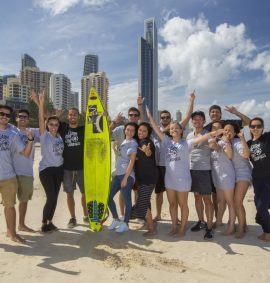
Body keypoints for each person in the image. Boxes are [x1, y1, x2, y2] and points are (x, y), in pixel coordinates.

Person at [147, 106, 223, 238]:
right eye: (171, 129)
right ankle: (174, 227)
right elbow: (155, 128)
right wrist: (149, 116)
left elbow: (202, 137)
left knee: (183, 204)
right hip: (169, 179)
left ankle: (182, 229)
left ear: (181, 130)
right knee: (172, 204)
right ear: (169, 132)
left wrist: (212, 134)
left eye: (176, 128)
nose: (174, 130)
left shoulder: (187, 143)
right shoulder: (166, 141)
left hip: (183, 179)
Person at [152, 92, 195, 222]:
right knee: (159, 193)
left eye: (167, 117)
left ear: (170, 119)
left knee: (177, 195)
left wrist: (191, 101)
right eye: (163, 117)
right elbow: (146, 121)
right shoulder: (157, 130)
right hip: (159, 165)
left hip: (174, 167)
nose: (165, 119)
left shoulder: (174, 128)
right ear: (160, 119)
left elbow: (187, 117)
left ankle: (178, 219)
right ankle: (159, 215)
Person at [0, 104, 33, 243]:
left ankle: (12, 234)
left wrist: (30, 140)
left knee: (10, 206)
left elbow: (25, 153)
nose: (4, 117)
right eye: (2, 114)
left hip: (8, 177)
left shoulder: (13, 135)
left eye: (7, 115)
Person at [32, 91, 64, 233]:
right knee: (51, 196)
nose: (53, 126)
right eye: (51, 124)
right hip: (46, 170)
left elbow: (53, 118)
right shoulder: (44, 136)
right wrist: (40, 103)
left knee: (55, 197)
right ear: (47, 125)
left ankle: (51, 222)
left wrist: (55, 114)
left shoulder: (59, 137)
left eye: (56, 124)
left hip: (59, 170)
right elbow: (41, 118)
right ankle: (44, 223)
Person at [110, 95, 144, 220]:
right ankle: (123, 214)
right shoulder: (120, 129)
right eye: (131, 115)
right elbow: (106, 134)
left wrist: (140, 105)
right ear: (128, 116)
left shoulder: (140, 130)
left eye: (136, 115)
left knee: (137, 191)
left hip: (138, 167)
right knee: (122, 192)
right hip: (122, 167)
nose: (133, 117)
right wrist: (114, 121)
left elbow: (145, 123)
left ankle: (138, 215)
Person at [58, 107, 88, 228]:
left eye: (75, 115)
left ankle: (86, 216)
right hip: (67, 168)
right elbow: (48, 119)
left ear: (78, 116)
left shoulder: (84, 129)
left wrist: (105, 116)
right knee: (69, 194)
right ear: (67, 116)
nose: (72, 116)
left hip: (82, 167)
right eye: (70, 115)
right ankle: (73, 217)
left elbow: (100, 129)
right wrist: (58, 116)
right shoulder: (63, 127)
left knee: (85, 193)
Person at [187, 111, 215, 239]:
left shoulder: (208, 134)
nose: (197, 121)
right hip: (192, 169)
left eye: (200, 119)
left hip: (204, 170)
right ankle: (201, 221)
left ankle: (209, 228)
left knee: (207, 200)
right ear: (192, 122)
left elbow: (212, 146)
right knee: (197, 197)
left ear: (204, 121)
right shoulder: (188, 136)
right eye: (195, 119)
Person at [107, 122, 138, 233]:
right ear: (125, 130)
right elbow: (121, 157)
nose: (129, 132)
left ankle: (125, 223)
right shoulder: (125, 141)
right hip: (118, 174)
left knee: (127, 201)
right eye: (128, 129)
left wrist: (126, 178)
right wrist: (115, 148)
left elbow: (132, 161)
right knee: (108, 197)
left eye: (132, 130)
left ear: (134, 133)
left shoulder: (133, 143)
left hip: (127, 176)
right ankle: (116, 219)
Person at [12, 109, 40, 232]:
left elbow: (45, 126)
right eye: (20, 116)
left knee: (24, 201)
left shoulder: (32, 131)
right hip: (10, 173)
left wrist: (40, 104)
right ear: (16, 118)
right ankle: (10, 229)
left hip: (27, 172)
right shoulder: (10, 130)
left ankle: (21, 224)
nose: (23, 118)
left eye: (25, 117)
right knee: (9, 203)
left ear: (28, 119)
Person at [224, 122, 251, 238]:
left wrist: (243, 139)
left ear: (235, 133)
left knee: (237, 202)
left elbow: (246, 155)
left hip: (243, 174)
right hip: (233, 176)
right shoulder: (225, 143)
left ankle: (240, 229)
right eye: (225, 130)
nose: (227, 132)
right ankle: (243, 224)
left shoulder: (237, 142)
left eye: (230, 130)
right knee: (237, 203)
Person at [208, 121, 235, 234]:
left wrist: (225, 140)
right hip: (217, 177)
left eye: (219, 128)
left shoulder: (225, 141)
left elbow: (229, 155)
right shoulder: (212, 140)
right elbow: (212, 145)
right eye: (214, 128)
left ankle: (231, 226)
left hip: (227, 175)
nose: (217, 130)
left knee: (230, 202)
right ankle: (219, 221)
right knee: (221, 201)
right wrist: (215, 137)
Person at [247, 117, 270, 242]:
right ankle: (265, 229)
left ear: (263, 128)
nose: (256, 128)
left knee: (261, 206)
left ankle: (268, 233)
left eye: (258, 126)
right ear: (250, 129)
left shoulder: (267, 137)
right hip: (256, 178)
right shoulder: (249, 143)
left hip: (268, 178)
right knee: (258, 205)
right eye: (253, 126)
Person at [133, 122, 158, 236]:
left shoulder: (145, 142)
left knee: (142, 203)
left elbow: (147, 151)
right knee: (146, 202)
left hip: (148, 179)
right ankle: (148, 224)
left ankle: (152, 229)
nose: (141, 133)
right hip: (143, 179)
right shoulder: (138, 142)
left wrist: (146, 151)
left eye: (144, 131)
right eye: (140, 130)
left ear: (148, 133)